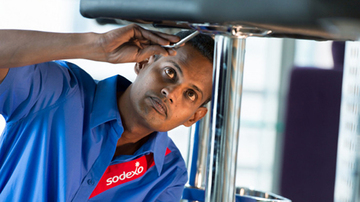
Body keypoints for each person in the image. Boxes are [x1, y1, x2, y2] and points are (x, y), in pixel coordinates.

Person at [0, 24, 214, 201]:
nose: (171, 92)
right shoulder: (57, 91)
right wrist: (95, 44)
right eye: (170, 72)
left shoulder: (169, 173)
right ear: (143, 62)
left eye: (191, 94)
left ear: (194, 116)